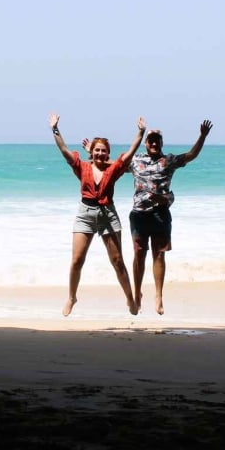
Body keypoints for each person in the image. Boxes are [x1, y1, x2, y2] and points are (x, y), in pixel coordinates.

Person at [49, 112, 146, 316]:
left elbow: (129, 153)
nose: (100, 153)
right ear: (91, 153)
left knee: (117, 261)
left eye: (104, 151)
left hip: (108, 214)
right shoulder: (81, 167)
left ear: (107, 154)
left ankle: (130, 298)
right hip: (85, 213)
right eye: (97, 150)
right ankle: (72, 297)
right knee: (77, 260)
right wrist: (55, 130)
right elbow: (64, 151)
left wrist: (140, 133)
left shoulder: (114, 169)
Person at [130, 119, 213, 315]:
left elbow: (191, 155)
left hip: (160, 214)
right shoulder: (136, 161)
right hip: (139, 215)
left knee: (159, 255)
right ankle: (137, 293)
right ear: (145, 143)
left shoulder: (168, 160)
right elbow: (113, 166)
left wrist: (202, 136)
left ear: (161, 143)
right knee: (139, 255)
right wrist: (92, 150)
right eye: (150, 140)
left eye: (157, 140)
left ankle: (158, 296)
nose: (153, 143)